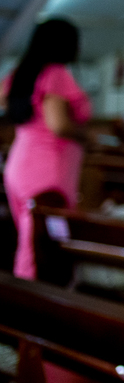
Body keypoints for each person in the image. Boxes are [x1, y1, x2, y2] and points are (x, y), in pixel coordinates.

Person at [1, 18, 91, 278]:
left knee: (30, 241)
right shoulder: (56, 74)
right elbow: (58, 125)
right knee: (39, 248)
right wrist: (86, 135)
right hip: (47, 171)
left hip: (19, 166)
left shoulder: (23, 73)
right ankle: (31, 303)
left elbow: (5, 99)